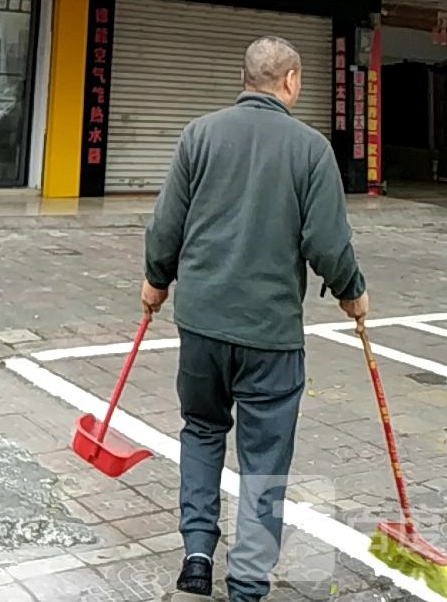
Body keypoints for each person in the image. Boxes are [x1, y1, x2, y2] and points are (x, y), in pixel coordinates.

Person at [142, 36, 368, 601]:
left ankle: (197, 556)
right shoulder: (310, 149)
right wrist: (351, 292)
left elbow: (167, 221)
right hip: (270, 334)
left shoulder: (199, 135)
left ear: (244, 78)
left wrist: (155, 281)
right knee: (265, 457)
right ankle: (247, 581)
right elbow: (327, 242)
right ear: (290, 80)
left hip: (200, 323)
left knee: (201, 429)